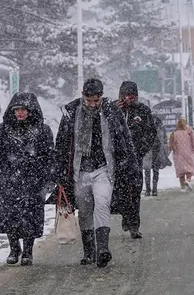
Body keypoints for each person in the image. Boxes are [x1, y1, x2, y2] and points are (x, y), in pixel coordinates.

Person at [56, 78, 137, 267]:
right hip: (79, 169)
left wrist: (128, 163)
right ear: (83, 96)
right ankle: (89, 251)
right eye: (89, 100)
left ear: (101, 97)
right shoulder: (71, 113)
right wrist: (60, 170)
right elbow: (61, 143)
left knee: (102, 203)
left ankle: (102, 249)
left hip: (103, 168)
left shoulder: (111, 112)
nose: (92, 104)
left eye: (96, 100)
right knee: (84, 211)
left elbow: (124, 138)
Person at [0, 92, 55, 266]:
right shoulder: (4, 129)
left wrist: (51, 178)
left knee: (31, 214)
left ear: (31, 110)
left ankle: (28, 252)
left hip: (34, 179)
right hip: (10, 178)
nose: (20, 113)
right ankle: (14, 248)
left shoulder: (43, 130)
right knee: (10, 214)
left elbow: (50, 156)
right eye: (17, 109)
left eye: (24, 109)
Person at [114, 81, 158, 240]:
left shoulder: (143, 111)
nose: (130, 100)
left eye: (133, 97)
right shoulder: (112, 110)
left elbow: (151, 133)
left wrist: (140, 150)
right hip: (116, 160)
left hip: (134, 159)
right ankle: (126, 216)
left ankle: (134, 225)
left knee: (135, 191)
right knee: (120, 191)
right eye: (127, 97)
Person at [168, 117, 194, 192]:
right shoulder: (190, 131)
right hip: (189, 153)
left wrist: (173, 148)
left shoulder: (174, 133)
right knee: (189, 169)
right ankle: (188, 180)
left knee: (181, 171)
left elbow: (171, 144)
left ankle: (182, 187)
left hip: (178, 154)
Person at [143, 115, 170, 197]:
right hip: (155, 151)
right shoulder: (160, 127)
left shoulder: (145, 126)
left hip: (150, 151)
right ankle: (154, 190)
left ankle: (149, 190)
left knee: (148, 171)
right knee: (154, 171)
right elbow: (164, 140)